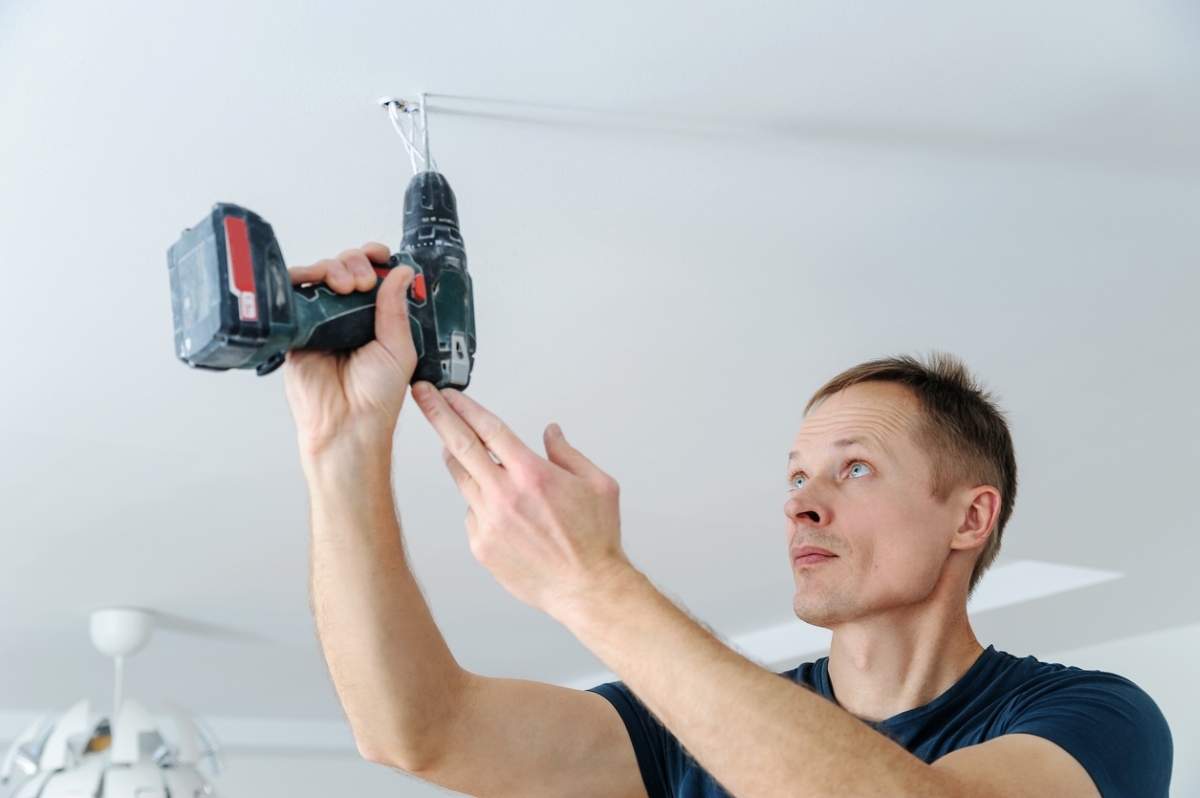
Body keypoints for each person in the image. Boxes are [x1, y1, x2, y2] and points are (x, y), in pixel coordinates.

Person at [283, 248, 1172, 798]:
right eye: (796, 476)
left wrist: (594, 587)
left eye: (854, 468)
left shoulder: (1095, 720)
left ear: (970, 517)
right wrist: (341, 447)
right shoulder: (686, 731)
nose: (800, 502)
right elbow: (416, 730)